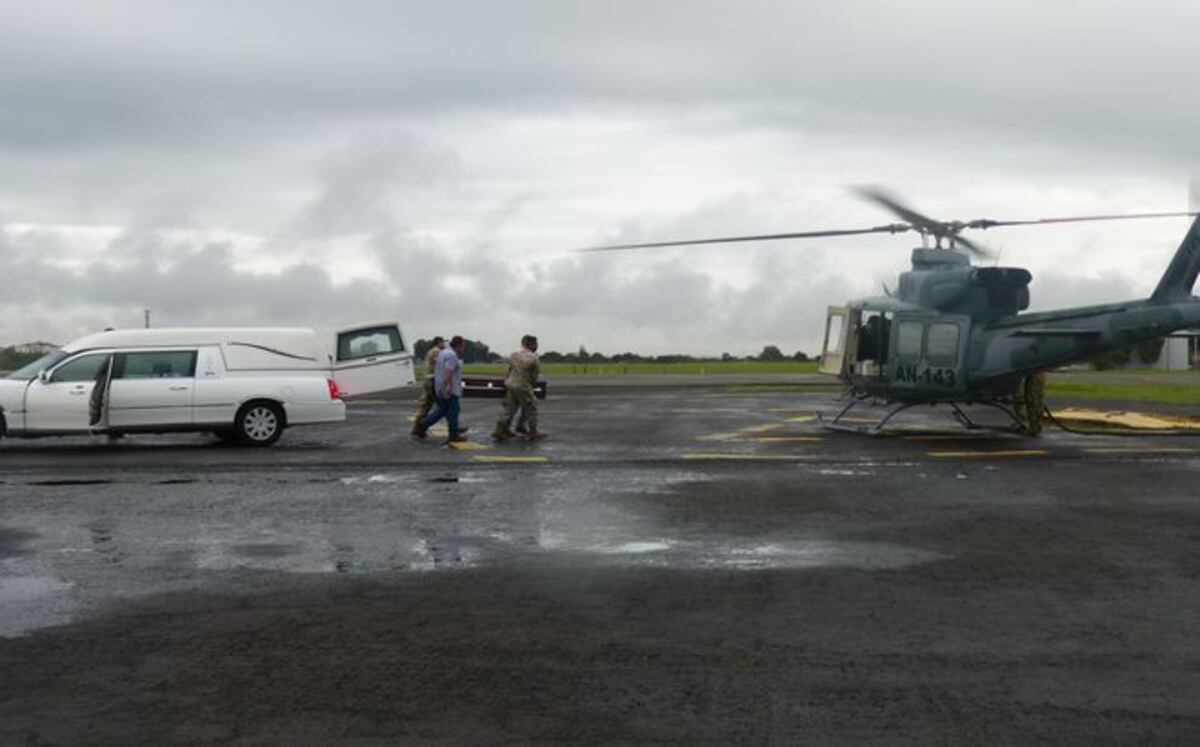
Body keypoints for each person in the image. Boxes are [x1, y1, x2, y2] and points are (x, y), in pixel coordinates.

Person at [415, 335, 468, 443]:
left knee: (442, 410)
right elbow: (448, 372)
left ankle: (423, 425)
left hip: (439, 385)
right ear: (458, 345)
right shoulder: (452, 355)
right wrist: (450, 386)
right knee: (454, 410)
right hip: (449, 388)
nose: (463, 349)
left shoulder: (443, 352)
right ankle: (453, 434)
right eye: (463, 346)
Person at [492, 334, 544, 440]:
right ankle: (533, 430)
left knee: (509, 408)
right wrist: (530, 385)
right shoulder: (534, 357)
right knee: (531, 406)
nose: (537, 346)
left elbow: (509, 370)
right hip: (523, 385)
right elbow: (534, 376)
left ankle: (500, 430)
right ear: (530, 344)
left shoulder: (514, 354)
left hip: (510, 384)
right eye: (535, 344)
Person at [410, 336, 445, 435]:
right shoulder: (437, 351)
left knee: (425, 405)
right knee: (443, 406)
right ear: (438, 342)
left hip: (427, 379)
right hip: (432, 380)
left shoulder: (430, 351)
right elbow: (437, 366)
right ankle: (453, 427)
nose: (444, 344)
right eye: (443, 342)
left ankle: (417, 427)